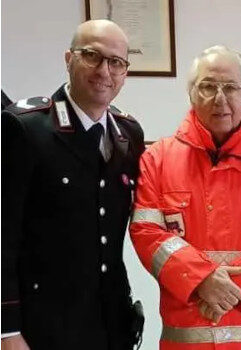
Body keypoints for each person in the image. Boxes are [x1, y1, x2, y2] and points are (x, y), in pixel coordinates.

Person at [128, 45, 241, 349]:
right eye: (208, 87)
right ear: (191, 94)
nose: (220, 99)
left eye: (231, 87)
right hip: (189, 339)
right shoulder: (156, 160)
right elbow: (146, 233)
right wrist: (201, 279)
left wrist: (233, 290)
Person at [1, 19, 145, 349]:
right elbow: (2, 236)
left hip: (111, 323)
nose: (104, 71)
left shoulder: (128, 134)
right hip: (43, 326)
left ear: (125, 71)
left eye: (116, 62)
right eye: (91, 56)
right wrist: (6, 330)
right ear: (69, 59)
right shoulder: (25, 128)